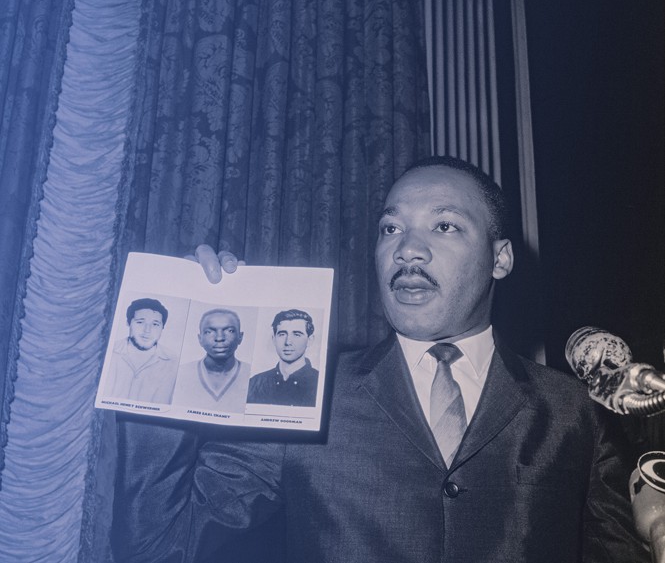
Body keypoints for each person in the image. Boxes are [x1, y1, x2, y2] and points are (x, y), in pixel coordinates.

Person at [112, 156, 648, 562]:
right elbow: (160, 545)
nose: (407, 249)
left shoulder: (573, 409)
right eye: (391, 228)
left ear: (500, 259)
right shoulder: (301, 396)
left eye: (444, 226)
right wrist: (175, 355)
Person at [171, 308, 251, 412]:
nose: (219, 337)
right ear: (200, 339)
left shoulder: (252, 375)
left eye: (229, 330)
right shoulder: (181, 373)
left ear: (240, 337)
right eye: (209, 332)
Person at [105, 297, 178, 404]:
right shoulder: (108, 352)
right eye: (140, 322)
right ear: (128, 323)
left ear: (162, 327)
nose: (147, 330)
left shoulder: (174, 363)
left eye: (155, 324)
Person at [247, 309, 319, 407]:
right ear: (274, 339)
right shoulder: (254, 383)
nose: (288, 342)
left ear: (310, 340)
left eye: (297, 334)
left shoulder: (319, 382)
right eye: (282, 334)